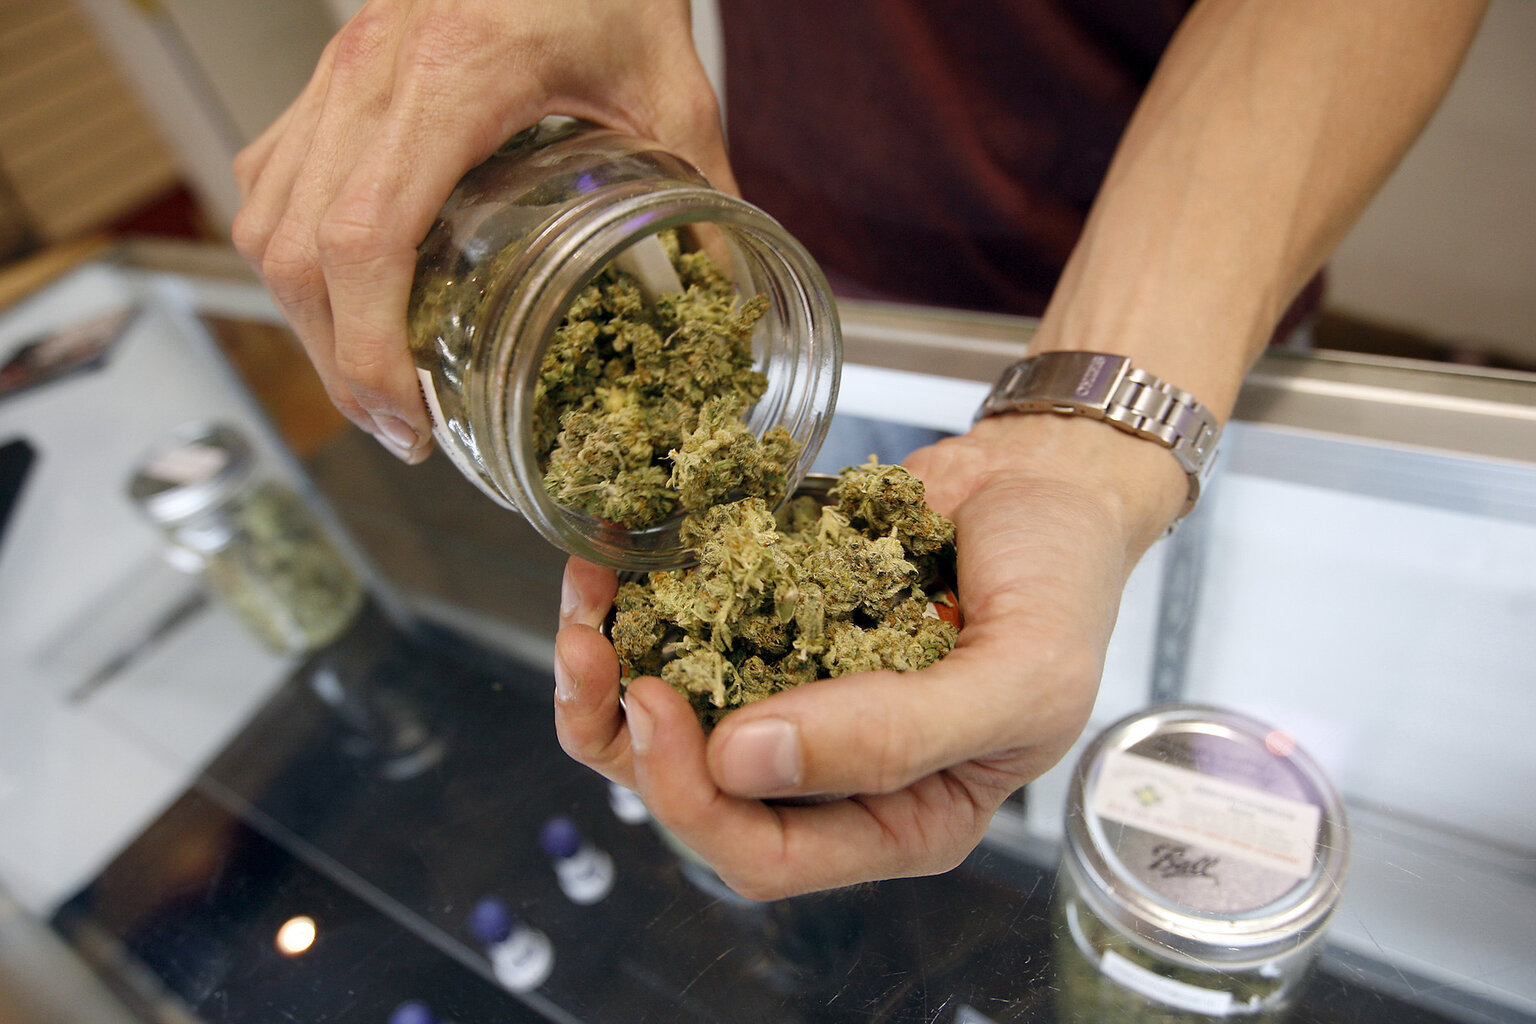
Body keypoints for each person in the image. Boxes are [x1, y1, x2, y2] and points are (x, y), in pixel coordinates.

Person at [231, 0, 1488, 901]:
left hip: (1187, 295)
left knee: (1131, 639)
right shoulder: (745, 385)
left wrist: (1089, 452)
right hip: (794, 254)